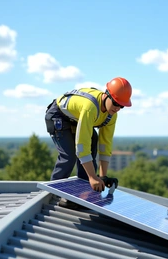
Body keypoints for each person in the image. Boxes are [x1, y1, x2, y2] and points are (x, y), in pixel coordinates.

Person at [45, 77, 132, 208]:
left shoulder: (112, 115)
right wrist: (92, 176)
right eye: (115, 103)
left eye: (122, 106)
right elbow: (81, 145)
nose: (117, 108)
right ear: (106, 95)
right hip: (58, 116)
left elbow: (105, 145)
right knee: (69, 157)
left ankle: (83, 193)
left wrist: (102, 177)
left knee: (94, 139)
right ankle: (53, 195)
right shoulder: (90, 108)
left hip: (75, 118)